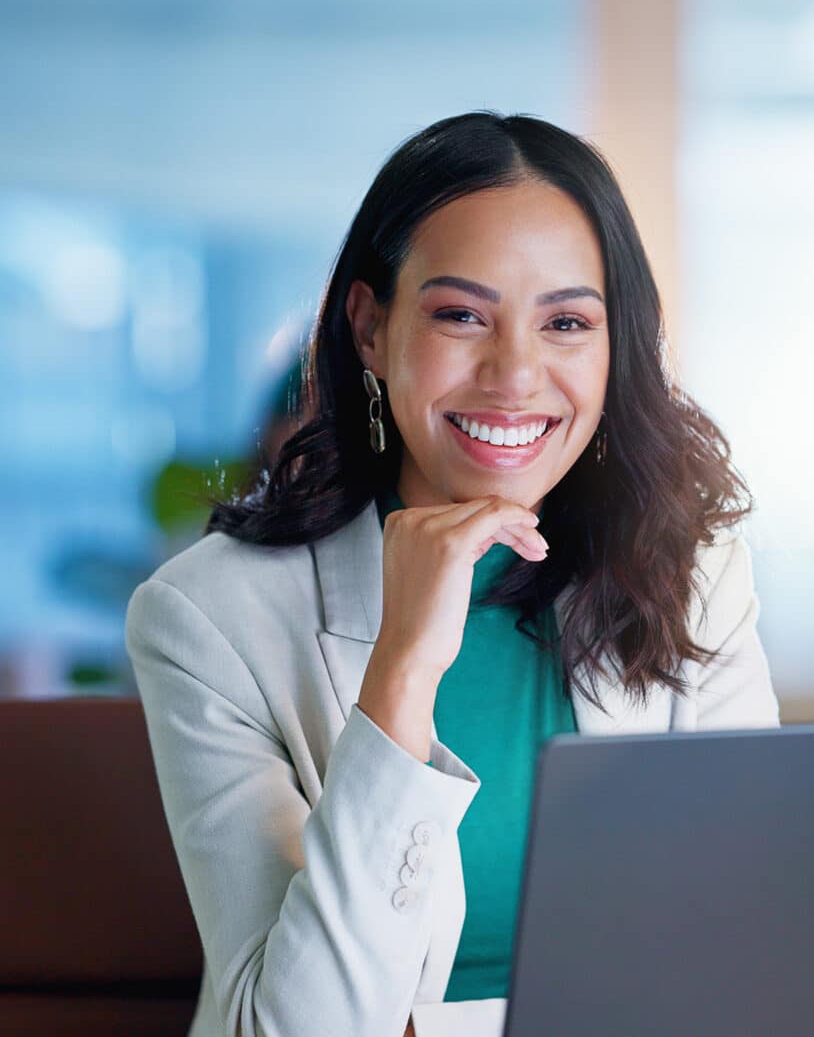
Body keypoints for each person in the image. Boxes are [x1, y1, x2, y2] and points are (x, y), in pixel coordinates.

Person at [125, 110, 780, 1037]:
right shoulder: (209, 618)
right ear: (369, 327)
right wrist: (400, 672)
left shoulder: (692, 571)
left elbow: (753, 946)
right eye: (462, 314)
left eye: (565, 322)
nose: (515, 374)